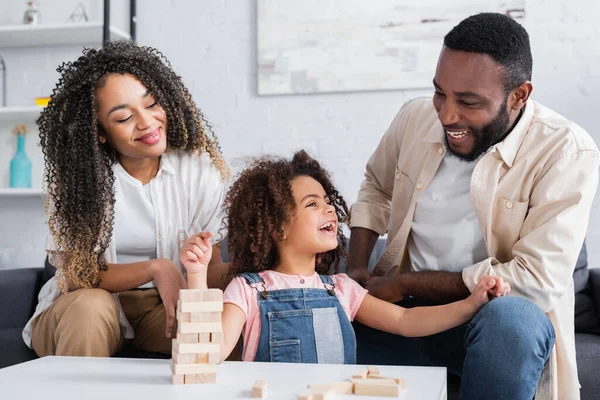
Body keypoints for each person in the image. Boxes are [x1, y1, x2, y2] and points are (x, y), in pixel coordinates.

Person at [346, 13, 599, 400]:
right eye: (440, 93)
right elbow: (376, 189)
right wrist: (356, 270)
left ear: (519, 95)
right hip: (406, 318)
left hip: (489, 322)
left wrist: (402, 283)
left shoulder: (566, 151)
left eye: (468, 101)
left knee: (512, 318)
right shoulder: (414, 118)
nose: (447, 115)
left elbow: (535, 281)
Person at [179, 150, 509, 363]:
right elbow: (208, 353)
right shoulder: (247, 290)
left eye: (327, 201)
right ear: (275, 228)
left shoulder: (340, 289)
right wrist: (196, 274)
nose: (328, 209)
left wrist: (471, 304)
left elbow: (406, 321)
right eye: (312, 203)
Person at [23, 41, 231, 358]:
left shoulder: (199, 171)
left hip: (161, 310)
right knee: (92, 306)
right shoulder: (78, 184)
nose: (147, 122)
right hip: (81, 311)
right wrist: (156, 269)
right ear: (100, 132)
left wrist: (258, 274)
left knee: (223, 326)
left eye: (151, 104)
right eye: (123, 118)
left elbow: (211, 268)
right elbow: (77, 277)